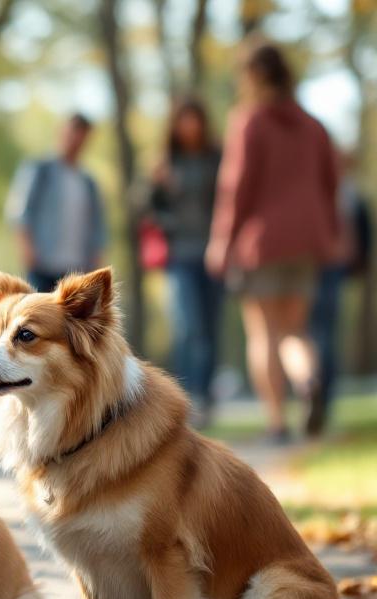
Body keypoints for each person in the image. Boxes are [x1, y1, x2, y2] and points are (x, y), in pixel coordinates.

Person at [206, 42, 340, 443]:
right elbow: (330, 185)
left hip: (260, 243)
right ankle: (308, 379)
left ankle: (277, 422)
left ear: (251, 76)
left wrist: (221, 241)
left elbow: (236, 187)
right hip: (307, 241)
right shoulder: (314, 126)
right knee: (295, 331)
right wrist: (330, 235)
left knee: (264, 334)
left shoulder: (250, 121)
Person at [150, 97, 223, 428]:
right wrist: (158, 187)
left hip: (214, 254)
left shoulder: (218, 158)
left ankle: (205, 398)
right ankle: (185, 398)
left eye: (195, 119)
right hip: (179, 255)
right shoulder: (167, 162)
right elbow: (146, 208)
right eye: (184, 120)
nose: (190, 126)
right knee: (187, 328)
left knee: (208, 330)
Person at [6, 113, 108, 292]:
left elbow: (97, 225)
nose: (75, 141)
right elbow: (20, 212)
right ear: (61, 132)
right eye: (72, 133)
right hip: (42, 266)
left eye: (81, 137)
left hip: (76, 271)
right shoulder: (40, 169)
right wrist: (27, 249)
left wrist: (96, 260)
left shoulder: (88, 182)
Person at [308, 161, 372, 436]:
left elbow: (363, 232)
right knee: (322, 335)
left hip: (320, 267)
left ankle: (315, 392)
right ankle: (319, 395)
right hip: (325, 267)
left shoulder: (336, 192)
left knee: (313, 335)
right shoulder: (347, 192)